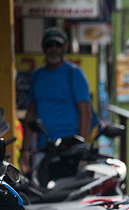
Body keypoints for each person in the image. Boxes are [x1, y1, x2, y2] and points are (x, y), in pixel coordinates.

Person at [21, 27, 92, 175]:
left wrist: (81, 148)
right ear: (43, 47)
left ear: (65, 47)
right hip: (43, 149)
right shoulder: (37, 76)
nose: (53, 48)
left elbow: (85, 112)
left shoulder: (74, 74)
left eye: (58, 45)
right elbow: (31, 113)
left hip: (69, 150)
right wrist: (25, 150)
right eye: (49, 44)